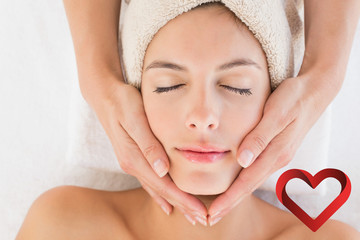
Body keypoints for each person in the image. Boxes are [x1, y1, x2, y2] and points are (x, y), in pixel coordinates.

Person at [16, 3, 360, 239]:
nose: (203, 117)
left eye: (236, 87)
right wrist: (95, 76)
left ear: (278, 98)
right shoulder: (62, 226)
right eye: (169, 86)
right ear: (136, 96)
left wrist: (326, 74)